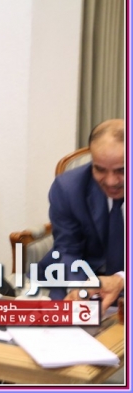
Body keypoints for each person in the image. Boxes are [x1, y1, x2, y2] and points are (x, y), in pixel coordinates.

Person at [38, 119, 125, 312]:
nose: (111, 181)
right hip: (77, 278)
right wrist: (79, 289)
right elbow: (68, 248)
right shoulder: (68, 188)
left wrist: (121, 279)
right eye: (100, 169)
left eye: (122, 170)